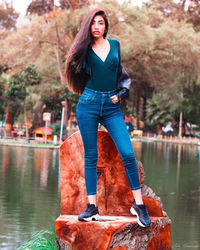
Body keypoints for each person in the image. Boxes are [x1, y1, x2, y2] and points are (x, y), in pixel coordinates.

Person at [65, 9, 151, 227]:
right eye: (93, 23)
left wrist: (120, 94)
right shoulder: (84, 50)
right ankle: (92, 207)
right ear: (88, 26)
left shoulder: (115, 46)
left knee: (127, 153)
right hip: (89, 105)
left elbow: (121, 75)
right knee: (91, 157)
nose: (96, 27)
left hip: (112, 107)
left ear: (105, 26)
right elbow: (74, 69)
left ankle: (139, 205)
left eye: (100, 23)